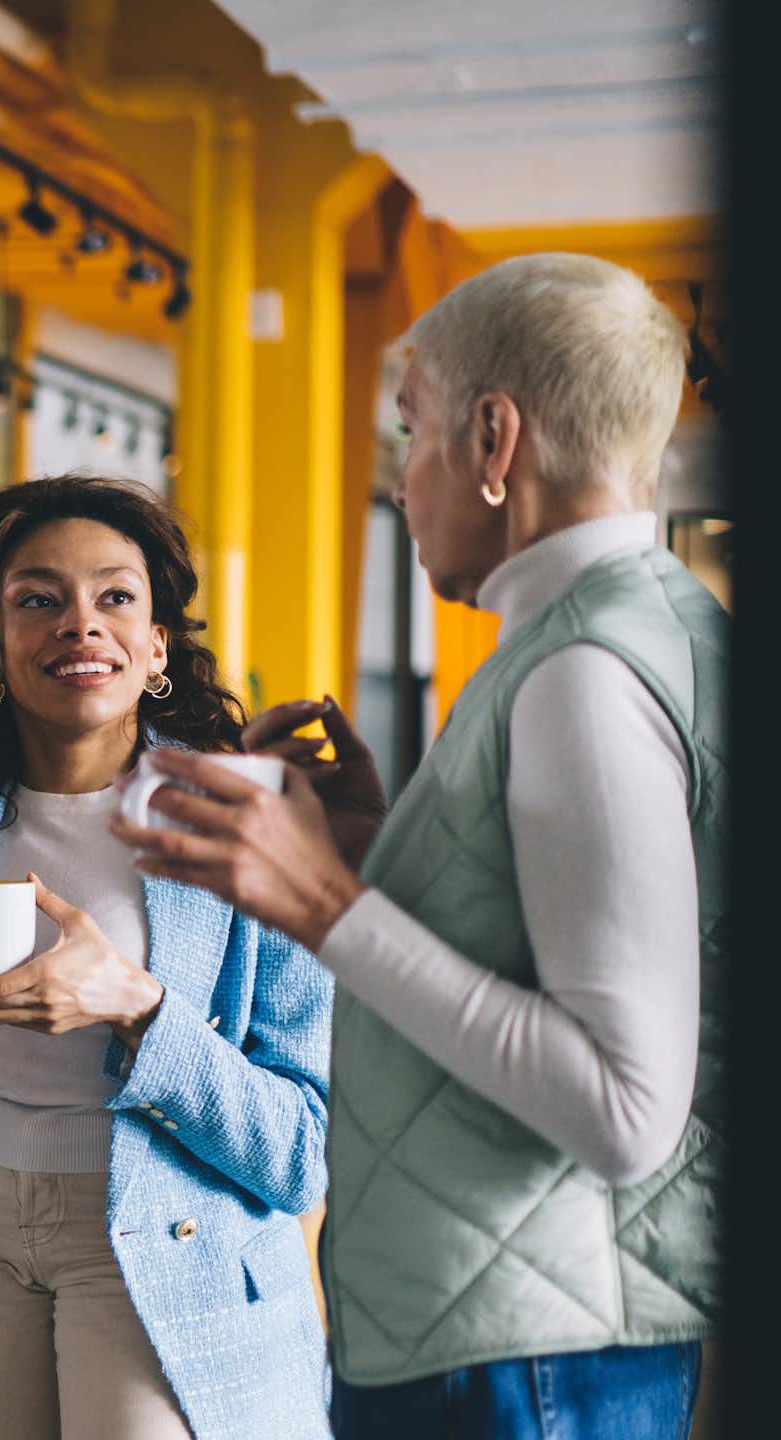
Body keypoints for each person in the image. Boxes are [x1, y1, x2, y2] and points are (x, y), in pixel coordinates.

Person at [118, 253, 722, 1438]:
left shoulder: (582, 675)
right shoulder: (611, 637)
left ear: (495, 440)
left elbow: (621, 1102)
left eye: (412, 433)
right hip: (521, 1337)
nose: (401, 482)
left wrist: (325, 901)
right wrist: (387, 849)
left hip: (517, 1359)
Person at [0, 476, 335, 1439]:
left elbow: (302, 1155)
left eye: (115, 597)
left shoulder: (254, 822)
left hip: (168, 1237)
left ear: (156, 647)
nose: (80, 626)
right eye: (38, 599)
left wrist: (138, 1008)